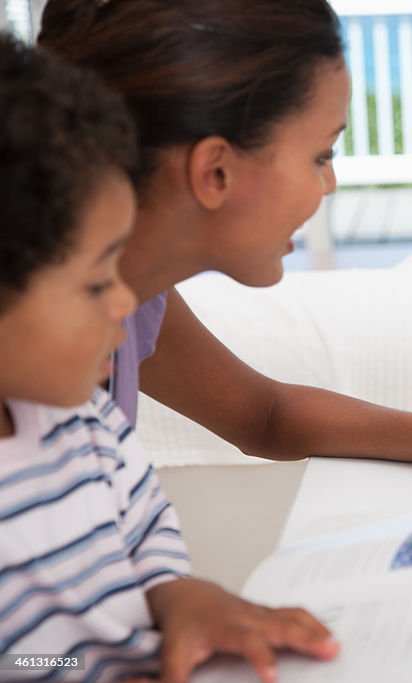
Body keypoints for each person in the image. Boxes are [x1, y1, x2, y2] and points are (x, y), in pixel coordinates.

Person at [36, 0, 412, 478]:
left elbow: (265, 415)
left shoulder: (137, 297)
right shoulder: (33, 332)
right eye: (320, 155)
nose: (329, 184)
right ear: (216, 173)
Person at [0, 35, 338, 682]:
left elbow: (147, 536)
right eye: (98, 282)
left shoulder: (89, 429)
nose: (126, 301)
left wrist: (180, 595)